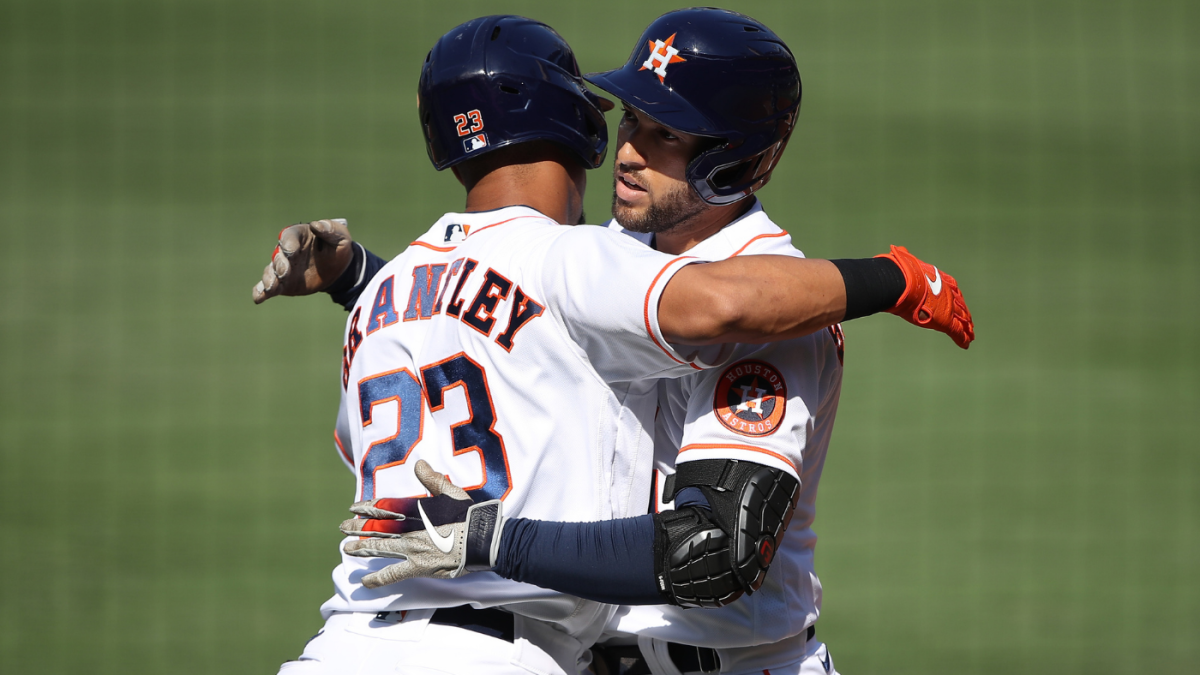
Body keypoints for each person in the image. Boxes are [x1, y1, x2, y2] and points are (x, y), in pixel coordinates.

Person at [257, 12, 973, 675]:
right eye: (630, 119)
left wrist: (491, 540)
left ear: (738, 155)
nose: (628, 151)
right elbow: (506, 327)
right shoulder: (596, 256)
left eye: (666, 134)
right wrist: (365, 281)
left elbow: (711, 552)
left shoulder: (780, 312)